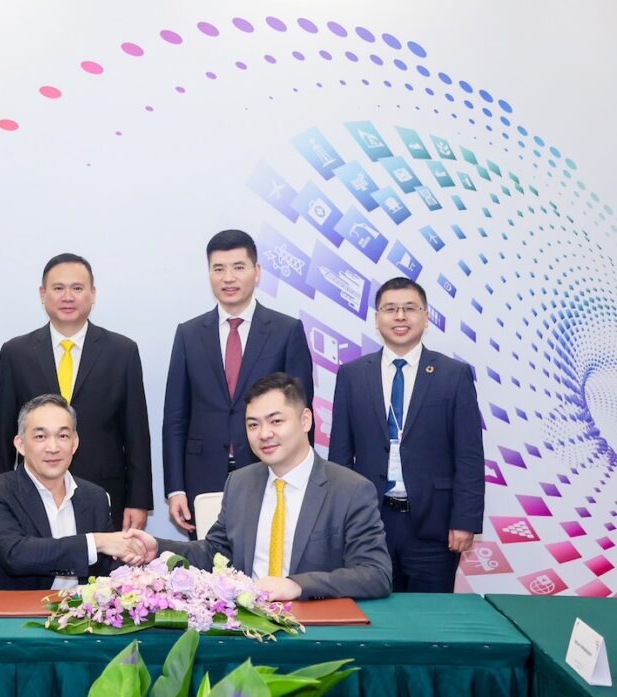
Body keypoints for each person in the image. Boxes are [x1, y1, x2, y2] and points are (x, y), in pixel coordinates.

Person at [128, 374, 390, 601]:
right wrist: (158, 548)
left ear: (306, 420)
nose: (264, 434)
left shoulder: (350, 490)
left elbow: (375, 574)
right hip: (247, 624)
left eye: (276, 421)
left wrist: (298, 585)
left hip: (314, 625)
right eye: (253, 425)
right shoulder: (240, 483)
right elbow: (214, 552)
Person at [329, 277, 484, 593]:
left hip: (434, 527)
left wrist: (464, 520)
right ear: (377, 319)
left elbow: (469, 455)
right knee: (375, 614)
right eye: (390, 309)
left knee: (430, 616)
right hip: (369, 523)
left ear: (426, 317)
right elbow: (340, 455)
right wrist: (340, 519)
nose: (400, 316)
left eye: (410, 308)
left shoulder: (454, 375)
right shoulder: (352, 375)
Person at [163, 230, 314, 537]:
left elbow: (301, 415)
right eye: (218, 268)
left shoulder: (286, 330)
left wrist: (301, 478)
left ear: (256, 272)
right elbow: (176, 417)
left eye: (238, 267)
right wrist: (175, 488)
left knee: (268, 556)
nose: (228, 278)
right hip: (202, 478)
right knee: (207, 563)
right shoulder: (189, 334)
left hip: (271, 471)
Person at [0, 253, 153, 531]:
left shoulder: (122, 351)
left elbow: (136, 433)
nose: (67, 297)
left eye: (77, 288)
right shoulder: (16, 353)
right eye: (58, 288)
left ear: (93, 294)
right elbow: (3, 435)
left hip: (105, 493)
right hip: (30, 495)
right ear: (42, 294)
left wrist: (138, 501)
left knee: (101, 560)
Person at [0, 394, 147, 590]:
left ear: (75, 443)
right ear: (20, 444)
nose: (53, 448)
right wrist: (96, 542)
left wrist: (131, 557)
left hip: (81, 608)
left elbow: (106, 569)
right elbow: (16, 555)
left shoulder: (95, 496)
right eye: (40, 436)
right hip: (19, 608)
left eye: (63, 436)